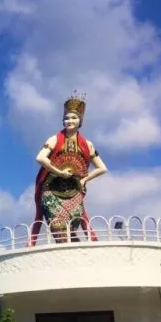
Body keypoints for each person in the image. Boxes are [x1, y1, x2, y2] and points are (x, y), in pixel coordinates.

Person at [29, 94, 108, 246]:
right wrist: (58, 172)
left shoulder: (87, 144)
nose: (69, 121)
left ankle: (79, 257)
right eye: (66, 118)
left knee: (71, 231)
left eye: (73, 118)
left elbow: (102, 168)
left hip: (73, 193)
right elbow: (40, 158)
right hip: (51, 191)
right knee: (59, 229)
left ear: (80, 121)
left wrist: (84, 179)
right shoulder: (54, 139)